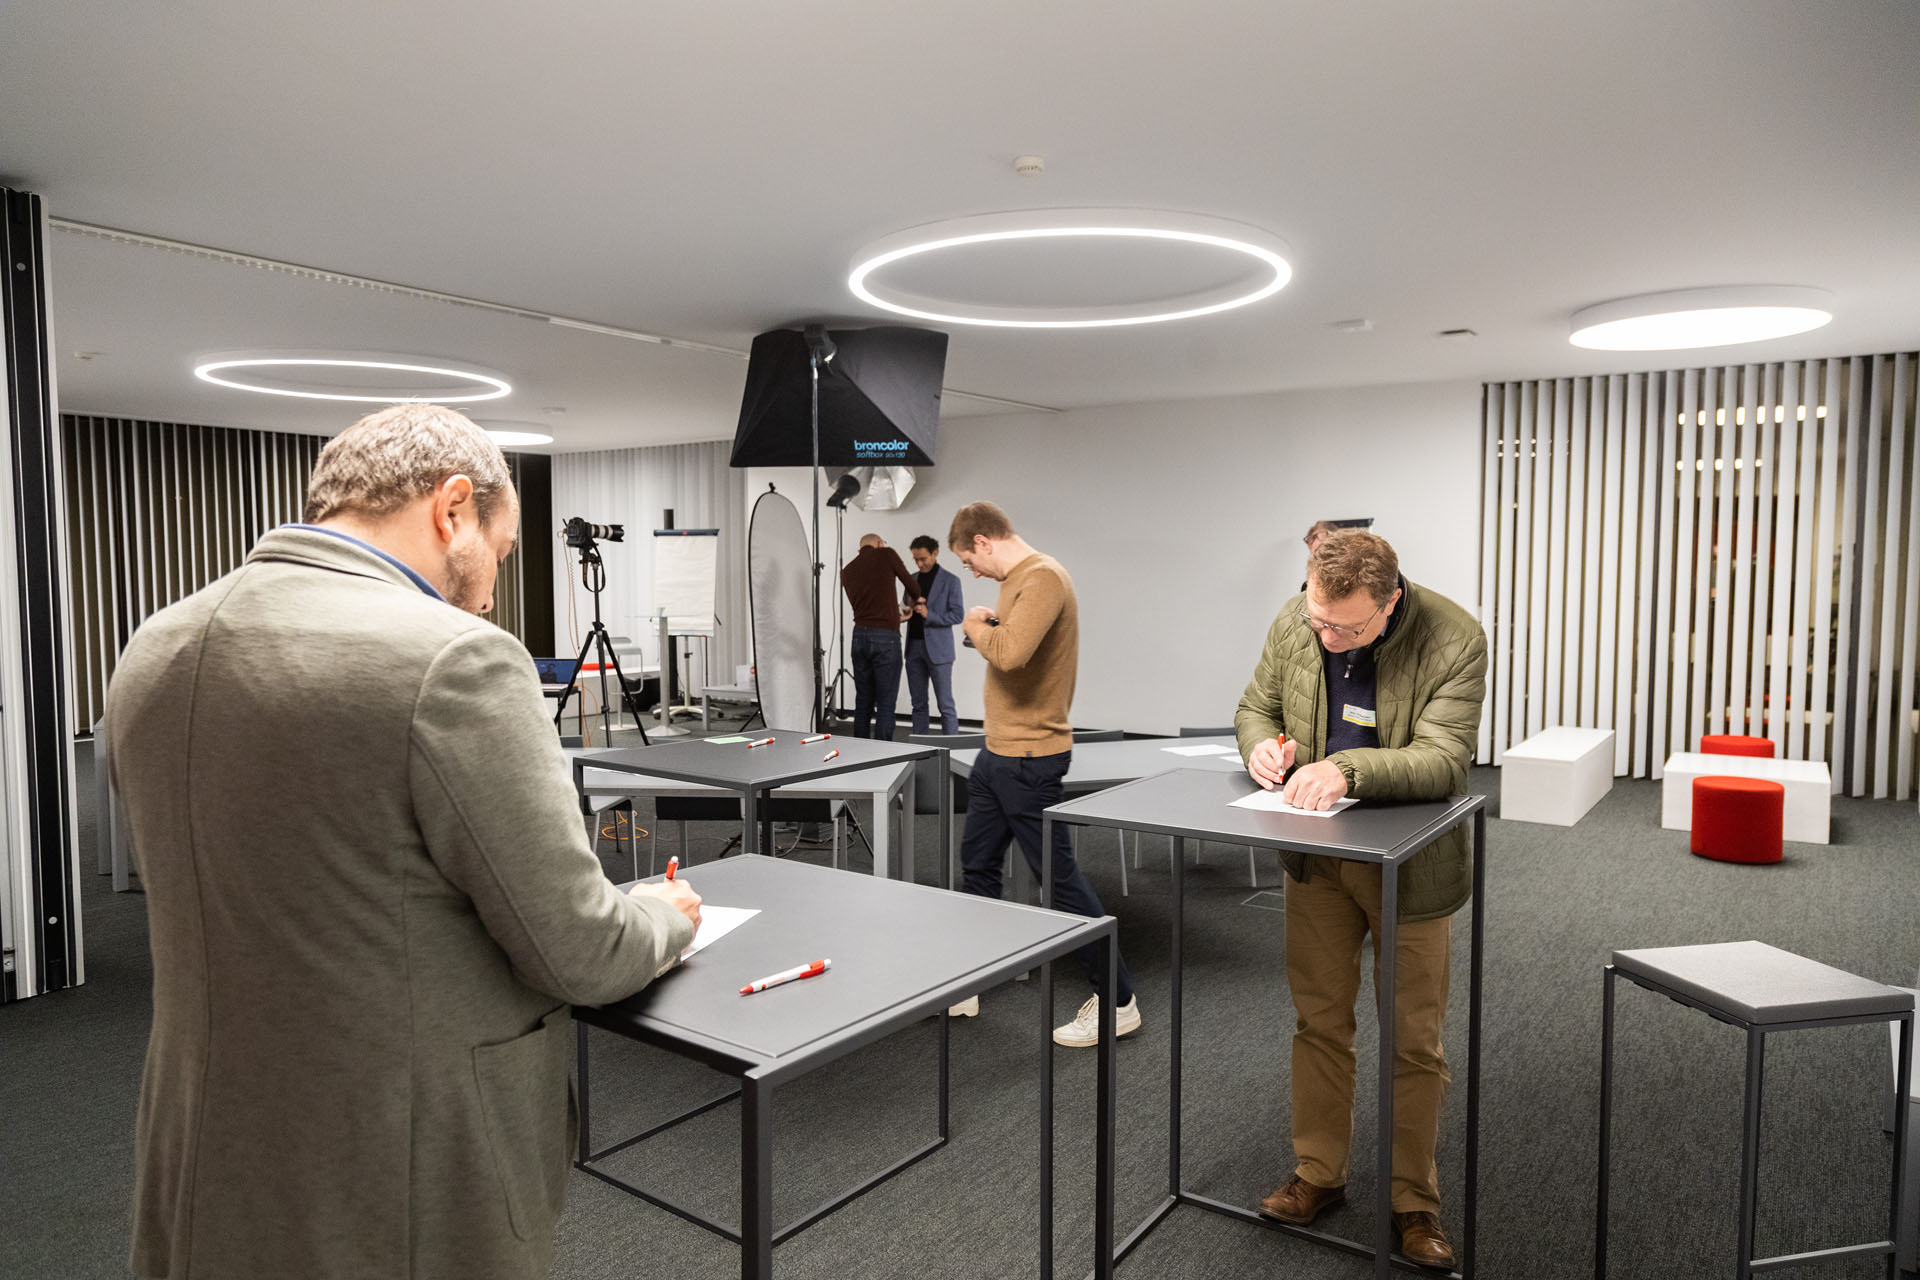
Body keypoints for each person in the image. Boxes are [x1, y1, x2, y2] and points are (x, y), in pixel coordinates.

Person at [106, 404, 703, 1280]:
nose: (494, 591)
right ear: (452, 508)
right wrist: (663, 912)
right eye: (500, 553)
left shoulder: (156, 644)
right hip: (402, 1168)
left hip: (201, 1147)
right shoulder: (455, 660)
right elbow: (578, 949)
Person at [1234, 529, 1486, 1270]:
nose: (1330, 636)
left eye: (1346, 627)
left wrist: (1346, 769)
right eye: (1320, 620)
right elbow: (1255, 706)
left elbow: (1443, 759)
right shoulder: (1298, 617)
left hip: (1411, 868)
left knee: (1412, 1038)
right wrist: (1260, 745)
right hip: (1316, 859)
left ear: (1390, 601)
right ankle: (1319, 1174)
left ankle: (1414, 1202)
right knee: (1318, 1020)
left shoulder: (1454, 638)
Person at [944, 501, 1141, 1047]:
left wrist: (976, 623)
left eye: (968, 560)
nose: (973, 571)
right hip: (998, 752)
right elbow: (1008, 647)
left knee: (1060, 882)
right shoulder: (1019, 583)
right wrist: (987, 626)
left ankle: (1119, 1002)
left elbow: (1010, 654)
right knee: (977, 868)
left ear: (984, 541)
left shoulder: (1043, 578)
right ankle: (971, 980)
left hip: (1030, 757)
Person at [838, 532, 922, 739]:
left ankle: (859, 753)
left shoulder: (847, 571)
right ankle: (883, 758)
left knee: (863, 700)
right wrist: (902, 611)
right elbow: (914, 588)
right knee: (885, 702)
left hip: (859, 637)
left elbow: (865, 606)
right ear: (878, 543)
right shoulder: (886, 554)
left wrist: (892, 615)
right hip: (885, 638)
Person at [902, 533, 965, 734]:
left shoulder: (951, 581)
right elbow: (906, 606)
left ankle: (951, 751)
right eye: (916, 559)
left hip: (940, 651)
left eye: (923, 559)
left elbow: (957, 615)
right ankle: (920, 750)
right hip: (913, 648)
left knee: (945, 705)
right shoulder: (911, 579)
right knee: (918, 704)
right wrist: (906, 611)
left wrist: (930, 615)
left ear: (935, 554)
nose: (919, 564)